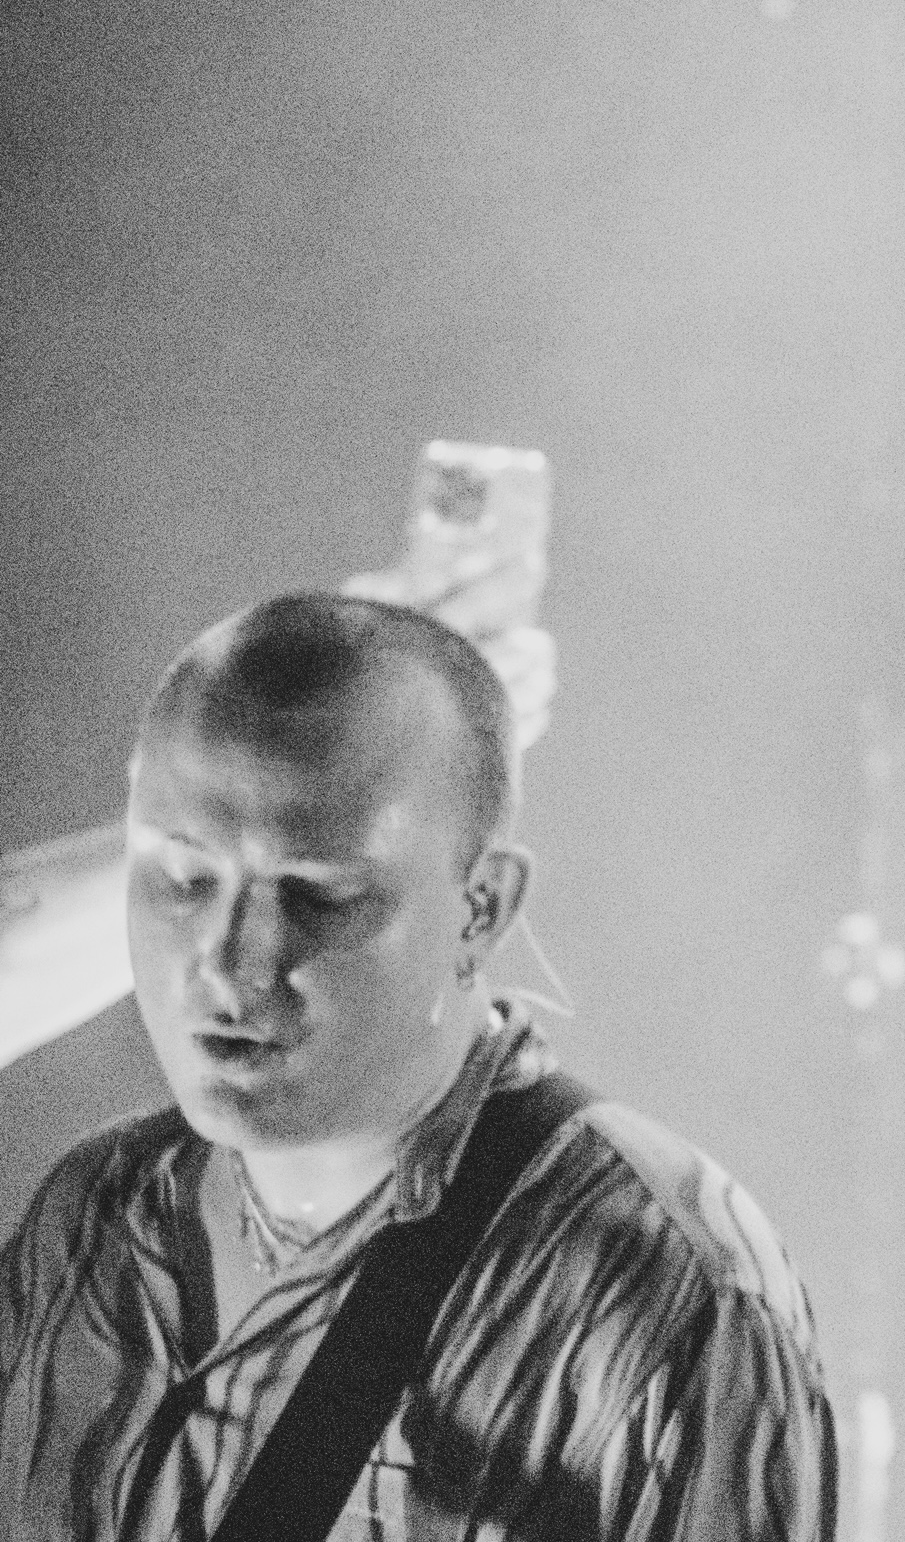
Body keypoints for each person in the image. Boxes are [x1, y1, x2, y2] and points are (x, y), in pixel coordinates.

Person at [0, 592, 838, 1541]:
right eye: (184, 880)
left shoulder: (665, 1286)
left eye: (319, 897)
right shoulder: (88, 1215)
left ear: (483, 905)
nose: (232, 962)